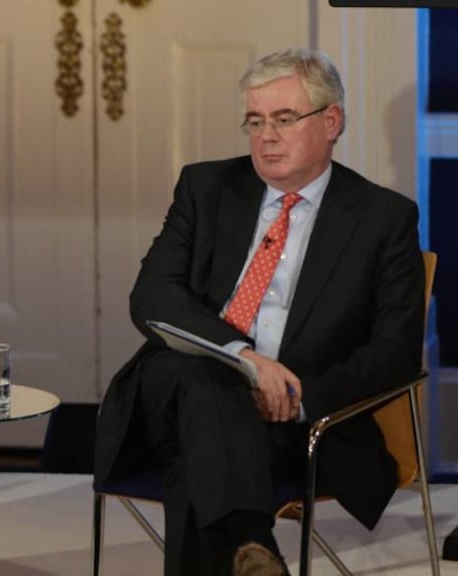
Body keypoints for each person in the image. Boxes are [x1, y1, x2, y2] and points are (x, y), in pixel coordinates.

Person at [93, 48, 425, 576]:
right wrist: (246, 359)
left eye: (284, 119)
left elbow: (396, 352)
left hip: (293, 421)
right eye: (255, 120)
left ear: (331, 121)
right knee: (205, 378)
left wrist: (295, 397)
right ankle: (252, 536)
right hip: (174, 396)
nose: (265, 135)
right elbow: (153, 295)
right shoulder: (206, 189)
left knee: (196, 472)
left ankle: (252, 547)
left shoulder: (383, 218)